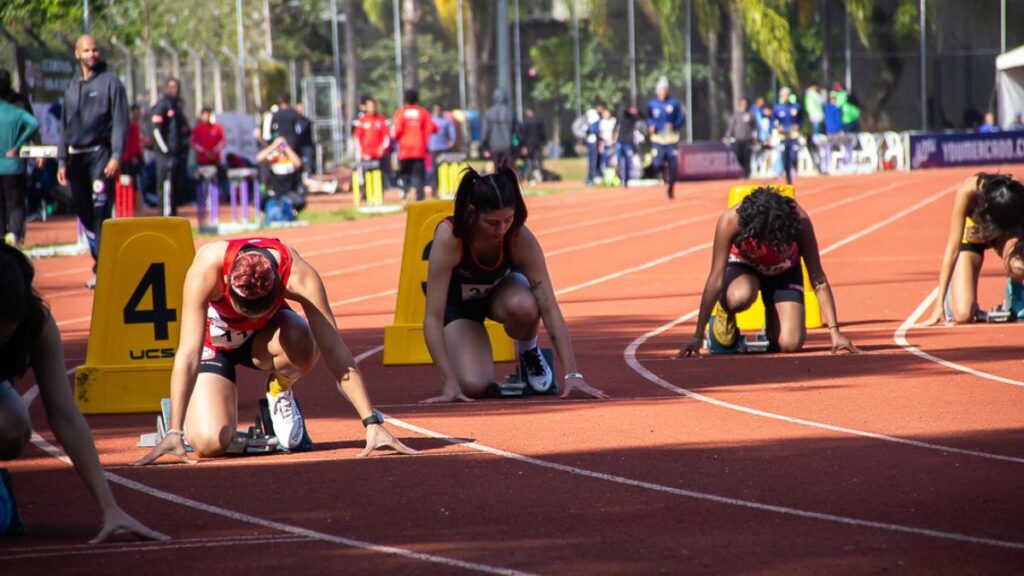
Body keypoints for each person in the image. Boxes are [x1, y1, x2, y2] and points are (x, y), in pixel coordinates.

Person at [135, 236, 416, 464]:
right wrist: (175, 430)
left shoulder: (298, 275)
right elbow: (188, 354)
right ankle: (187, 415)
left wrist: (371, 421)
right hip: (214, 346)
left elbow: (335, 350)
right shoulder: (207, 268)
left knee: (305, 341)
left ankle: (279, 389)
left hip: (263, 342)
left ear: (278, 289)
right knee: (209, 445)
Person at [0, 245, 166, 541]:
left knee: (11, 427)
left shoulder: (38, 324)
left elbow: (64, 414)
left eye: (5, 336)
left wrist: (109, 508)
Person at [421, 166, 610, 403]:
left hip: (503, 295)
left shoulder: (520, 238)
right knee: (473, 385)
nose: (501, 230)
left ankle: (529, 351)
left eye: (507, 220)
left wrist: (573, 374)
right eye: (492, 222)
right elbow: (432, 318)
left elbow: (549, 307)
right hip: (460, 308)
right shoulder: (450, 238)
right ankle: (469, 366)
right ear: (472, 212)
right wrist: (447, 381)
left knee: (525, 304)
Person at [676, 187, 860, 357]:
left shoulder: (799, 221)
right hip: (744, 268)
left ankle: (773, 327)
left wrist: (835, 333)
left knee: (790, 344)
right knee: (740, 297)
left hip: (784, 271)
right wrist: (698, 335)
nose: (772, 247)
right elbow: (715, 278)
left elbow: (818, 279)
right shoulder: (731, 221)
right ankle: (727, 310)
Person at [57, 35, 129, 289]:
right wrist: (61, 159)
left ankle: (104, 268)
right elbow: (64, 125)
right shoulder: (71, 86)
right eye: (86, 50)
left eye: (95, 50)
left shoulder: (112, 83)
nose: (92, 54)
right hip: (75, 157)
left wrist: (117, 155)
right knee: (84, 213)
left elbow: (121, 122)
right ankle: (102, 261)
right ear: (77, 54)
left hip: (100, 156)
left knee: (100, 213)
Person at [920, 173, 1024, 325]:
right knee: (963, 315)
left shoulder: (1017, 194)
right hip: (972, 236)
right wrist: (938, 305)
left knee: (1018, 266)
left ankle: (1014, 292)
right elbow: (953, 248)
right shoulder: (967, 191)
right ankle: (954, 292)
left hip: (1004, 237)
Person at [0, 91, 38, 246]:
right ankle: (14, 234)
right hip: (13, 166)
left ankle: (1, 238)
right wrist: (18, 145)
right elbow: (34, 123)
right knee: (16, 203)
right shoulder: (15, 112)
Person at [149, 78, 191, 216]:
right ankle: (166, 218)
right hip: (165, 156)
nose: (175, 90)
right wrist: (166, 150)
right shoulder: (163, 105)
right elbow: (155, 131)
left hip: (176, 156)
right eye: (172, 87)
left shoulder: (176, 107)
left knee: (173, 187)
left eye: (177, 87)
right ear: (166, 88)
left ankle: (172, 216)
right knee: (166, 187)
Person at [392, 89, 435, 202]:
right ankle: (420, 200)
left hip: (405, 150)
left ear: (405, 99)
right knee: (419, 177)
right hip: (419, 150)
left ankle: (406, 194)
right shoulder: (423, 112)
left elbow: (396, 132)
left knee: (404, 175)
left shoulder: (400, 112)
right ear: (417, 99)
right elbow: (432, 128)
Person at [647, 76, 685, 199]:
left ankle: (671, 188)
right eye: (660, 89)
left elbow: (681, 118)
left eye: (664, 89)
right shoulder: (652, 104)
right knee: (657, 163)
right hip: (658, 139)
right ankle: (661, 172)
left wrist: (674, 125)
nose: (662, 92)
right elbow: (648, 118)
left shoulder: (674, 103)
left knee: (673, 166)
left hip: (671, 139)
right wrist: (651, 125)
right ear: (657, 91)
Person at [256, 136, 307, 215]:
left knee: (300, 202)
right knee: (259, 201)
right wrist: (274, 145)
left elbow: (298, 163)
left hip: (289, 192)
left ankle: (290, 212)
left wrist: (286, 147)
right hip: (275, 192)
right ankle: (272, 212)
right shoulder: (273, 159)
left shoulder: (290, 159)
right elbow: (259, 158)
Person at [482, 87, 516, 171]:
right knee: (508, 170)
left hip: (494, 146)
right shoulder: (511, 112)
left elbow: (485, 132)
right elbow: (517, 131)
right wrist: (516, 144)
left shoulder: (488, 113)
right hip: (508, 146)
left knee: (497, 169)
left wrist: (485, 147)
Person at [773, 87, 801, 185]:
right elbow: (773, 121)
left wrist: (798, 125)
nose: (786, 97)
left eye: (787, 95)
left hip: (793, 136)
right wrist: (777, 127)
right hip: (783, 137)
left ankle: (794, 168)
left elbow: (801, 119)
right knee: (784, 158)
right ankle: (787, 176)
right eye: (784, 95)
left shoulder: (796, 107)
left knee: (793, 154)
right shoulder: (777, 108)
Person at [724, 97, 757, 179]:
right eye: (742, 104)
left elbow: (754, 127)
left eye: (745, 104)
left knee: (747, 157)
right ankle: (744, 170)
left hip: (748, 139)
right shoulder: (736, 115)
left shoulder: (751, 115)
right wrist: (727, 135)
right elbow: (731, 126)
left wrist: (755, 137)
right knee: (738, 155)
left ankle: (746, 174)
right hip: (738, 139)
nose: (744, 106)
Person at [427, 104, 457, 194]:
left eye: (438, 110)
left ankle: (446, 188)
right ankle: (434, 187)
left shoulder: (447, 121)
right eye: (435, 110)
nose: (437, 112)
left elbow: (453, 133)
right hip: (433, 148)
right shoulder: (430, 120)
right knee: (434, 168)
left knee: (444, 168)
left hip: (444, 147)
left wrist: (452, 141)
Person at [520, 107, 547, 185]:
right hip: (537, 143)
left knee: (528, 160)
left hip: (528, 144)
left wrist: (523, 145)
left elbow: (523, 135)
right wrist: (544, 144)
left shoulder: (524, 122)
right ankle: (539, 175)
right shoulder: (539, 121)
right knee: (538, 159)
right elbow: (543, 133)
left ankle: (528, 176)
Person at [616, 104, 640, 187]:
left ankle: (626, 179)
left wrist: (636, 112)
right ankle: (619, 178)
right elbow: (623, 109)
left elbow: (642, 115)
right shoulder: (623, 116)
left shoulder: (634, 118)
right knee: (619, 161)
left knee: (627, 161)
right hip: (620, 141)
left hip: (628, 142)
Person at [293, 102, 315, 176]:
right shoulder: (293, 121)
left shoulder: (305, 121)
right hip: (297, 147)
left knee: (307, 168)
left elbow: (301, 130)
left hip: (306, 147)